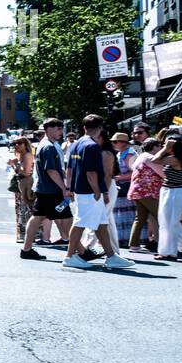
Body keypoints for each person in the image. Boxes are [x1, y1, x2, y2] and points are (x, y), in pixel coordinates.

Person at [63, 115, 134, 270]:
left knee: (102, 222)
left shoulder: (76, 144)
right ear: (100, 128)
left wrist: (69, 188)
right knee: (80, 223)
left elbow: (69, 169)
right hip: (90, 191)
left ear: (84, 127)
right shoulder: (92, 146)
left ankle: (111, 256)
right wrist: (99, 191)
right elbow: (91, 173)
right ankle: (69, 256)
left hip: (82, 189)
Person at [20, 118, 73, 261]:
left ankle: (27, 249)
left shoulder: (46, 145)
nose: (61, 132)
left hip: (46, 189)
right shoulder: (48, 147)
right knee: (67, 218)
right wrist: (64, 188)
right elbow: (51, 170)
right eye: (58, 129)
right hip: (51, 190)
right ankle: (79, 251)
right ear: (49, 129)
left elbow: (56, 169)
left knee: (38, 218)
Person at [152, 135, 182, 261]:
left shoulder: (175, 159)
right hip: (176, 191)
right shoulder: (180, 158)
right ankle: (180, 248)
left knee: (167, 223)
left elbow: (155, 160)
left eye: (167, 144)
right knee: (173, 222)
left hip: (174, 192)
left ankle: (167, 252)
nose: (163, 145)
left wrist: (166, 148)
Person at [127, 138, 163, 253]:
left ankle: (134, 245)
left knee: (140, 218)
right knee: (161, 217)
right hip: (148, 192)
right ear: (154, 147)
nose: (161, 148)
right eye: (160, 146)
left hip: (137, 191)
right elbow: (163, 173)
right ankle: (166, 245)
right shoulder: (150, 158)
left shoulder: (141, 157)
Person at [8, 135, 36, 243]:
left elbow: (26, 172)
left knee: (25, 209)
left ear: (25, 144)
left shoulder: (27, 155)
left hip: (26, 183)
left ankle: (28, 235)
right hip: (21, 184)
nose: (16, 145)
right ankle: (22, 235)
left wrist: (14, 165)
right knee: (20, 210)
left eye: (19, 143)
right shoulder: (20, 155)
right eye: (15, 143)